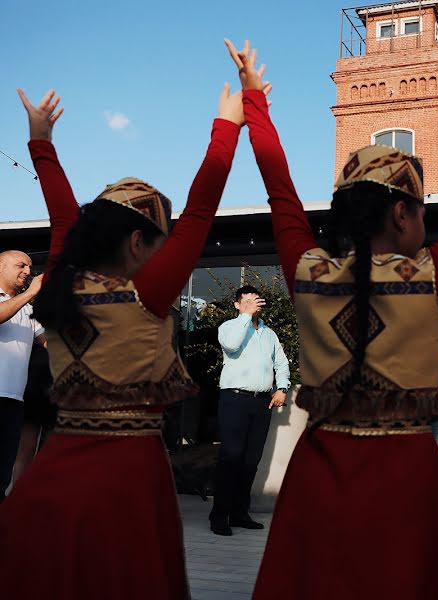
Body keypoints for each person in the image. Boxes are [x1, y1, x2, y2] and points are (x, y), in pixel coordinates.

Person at [225, 34, 438, 599]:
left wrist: (253, 102)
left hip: (318, 476)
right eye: (424, 209)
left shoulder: (308, 271)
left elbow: (279, 187)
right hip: (406, 481)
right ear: (402, 212)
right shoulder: (432, 274)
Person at [0, 71, 257, 598]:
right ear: (139, 241)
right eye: (162, 242)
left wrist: (41, 140)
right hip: (128, 476)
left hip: (57, 468)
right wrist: (228, 126)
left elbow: (60, 207)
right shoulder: (149, 290)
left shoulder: (67, 281)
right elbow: (203, 207)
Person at [209, 284, 290, 536]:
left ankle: (239, 513)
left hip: (262, 402)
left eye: (256, 299)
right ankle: (219, 516)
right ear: (237, 304)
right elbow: (232, 346)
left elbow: (281, 361)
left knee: (250, 461)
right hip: (234, 400)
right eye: (246, 300)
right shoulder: (229, 327)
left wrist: (283, 387)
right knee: (230, 458)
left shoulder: (269, 334)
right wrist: (245, 316)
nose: (252, 303)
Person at [0, 251, 45, 499]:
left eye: (29, 267)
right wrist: (30, 293)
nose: (28, 271)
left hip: (14, 402)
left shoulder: (27, 310)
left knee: (2, 474)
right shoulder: (22, 302)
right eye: (21, 265)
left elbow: (52, 343)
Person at [12, 341, 55, 486]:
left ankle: (42, 496)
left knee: (51, 450)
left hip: (60, 379)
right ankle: (18, 498)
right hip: (35, 379)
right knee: (25, 447)